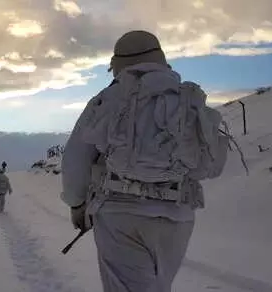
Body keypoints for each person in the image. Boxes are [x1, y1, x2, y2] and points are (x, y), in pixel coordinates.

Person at [61, 30, 229, 292]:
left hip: (119, 214)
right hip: (178, 216)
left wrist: (77, 205)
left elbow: (75, 158)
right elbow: (211, 163)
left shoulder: (108, 99)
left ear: (118, 64)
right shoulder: (187, 99)